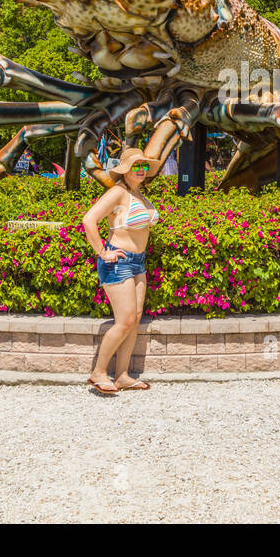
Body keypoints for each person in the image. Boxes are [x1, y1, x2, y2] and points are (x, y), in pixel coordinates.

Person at [80, 148, 163, 394]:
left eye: (144, 166)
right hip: (119, 262)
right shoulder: (118, 192)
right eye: (135, 166)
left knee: (134, 319)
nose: (140, 170)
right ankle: (98, 372)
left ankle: (123, 375)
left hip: (138, 262)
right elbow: (89, 220)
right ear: (124, 169)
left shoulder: (138, 194)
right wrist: (103, 252)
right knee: (125, 320)